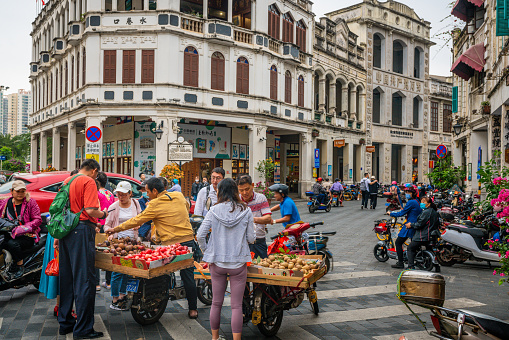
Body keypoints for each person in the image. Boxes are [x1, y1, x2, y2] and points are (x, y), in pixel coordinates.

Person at [106, 177, 199, 319]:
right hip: (188, 241)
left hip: (170, 245)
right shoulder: (179, 195)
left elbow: (137, 220)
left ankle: (156, 303)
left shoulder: (154, 204)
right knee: (188, 277)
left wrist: (115, 229)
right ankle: (193, 310)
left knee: (161, 274)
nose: (146, 194)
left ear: (155, 191)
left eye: (148, 191)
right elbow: (186, 207)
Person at [196, 178, 255, 340]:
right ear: (236, 191)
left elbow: (200, 235)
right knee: (236, 306)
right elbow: (251, 238)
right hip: (238, 263)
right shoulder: (246, 211)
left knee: (216, 303)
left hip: (217, 262)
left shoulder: (213, 211)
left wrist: (207, 251)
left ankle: (215, 338)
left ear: (219, 192)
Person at [55, 159, 107, 339]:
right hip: (82, 230)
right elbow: (92, 210)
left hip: (66, 231)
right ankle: (83, 329)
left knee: (67, 278)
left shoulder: (67, 181)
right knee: (85, 279)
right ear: (94, 171)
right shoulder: (88, 181)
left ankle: (65, 323)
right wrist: (104, 214)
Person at [104, 181, 142, 310]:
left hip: (132, 243)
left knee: (127, 270)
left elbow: (140, 220)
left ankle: (122, 295)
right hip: (118, 243)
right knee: (117, 272)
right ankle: (115, 299)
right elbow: (107, 225)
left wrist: (138, 226)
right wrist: (109, 233)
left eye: (124, 194)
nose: (121, 197)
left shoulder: (136, 204)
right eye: (119, 194)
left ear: (130, 193)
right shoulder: (113, 207)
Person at [0, 180, 42, 279]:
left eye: (22, 191)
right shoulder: (5, 203)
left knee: (12, 244)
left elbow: (37, 220)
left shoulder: (30, 202)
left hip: (27, 236)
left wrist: (22, 228)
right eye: (18, 191)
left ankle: (20, 265)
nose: (20, 194)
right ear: (12, 191)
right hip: (8, 234)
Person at [237, 175, 272, 259]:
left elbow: (268, 218)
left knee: (261, 268)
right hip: (241, 242)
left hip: (258, 241)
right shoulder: (236, 200)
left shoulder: (261, 198)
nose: (244, 193)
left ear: (252, 185)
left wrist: (250, 219)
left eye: (247, 189)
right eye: (241, 190)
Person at [387, 187, 422, 269]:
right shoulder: (417, 201)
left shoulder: (411, 202)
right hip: (415, 223)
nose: (406, 193)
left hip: (409, 225)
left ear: (413, 193)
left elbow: (401, 213)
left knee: (398, 242)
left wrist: (391, 213)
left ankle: (400, 262)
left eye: (408, 192)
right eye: (406, 192)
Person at [405, 196, 440, 271]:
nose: (422, 203)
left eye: (424, 202)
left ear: (428, 204)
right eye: (421, 201)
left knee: (410, 248)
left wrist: (410, 225)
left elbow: (419, 224)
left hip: (423, 236)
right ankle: (437, 266)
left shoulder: (426, 212)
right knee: (431, 250)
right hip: (431, 236)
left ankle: (410, 266)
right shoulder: (434, 212)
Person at [96, 172, 115, 291]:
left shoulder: (96, 194)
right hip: (108, 226)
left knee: (96, 253)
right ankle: (108, 282)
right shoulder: (110, 194)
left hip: (98, 225)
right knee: (108, 252)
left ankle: (97, 283)